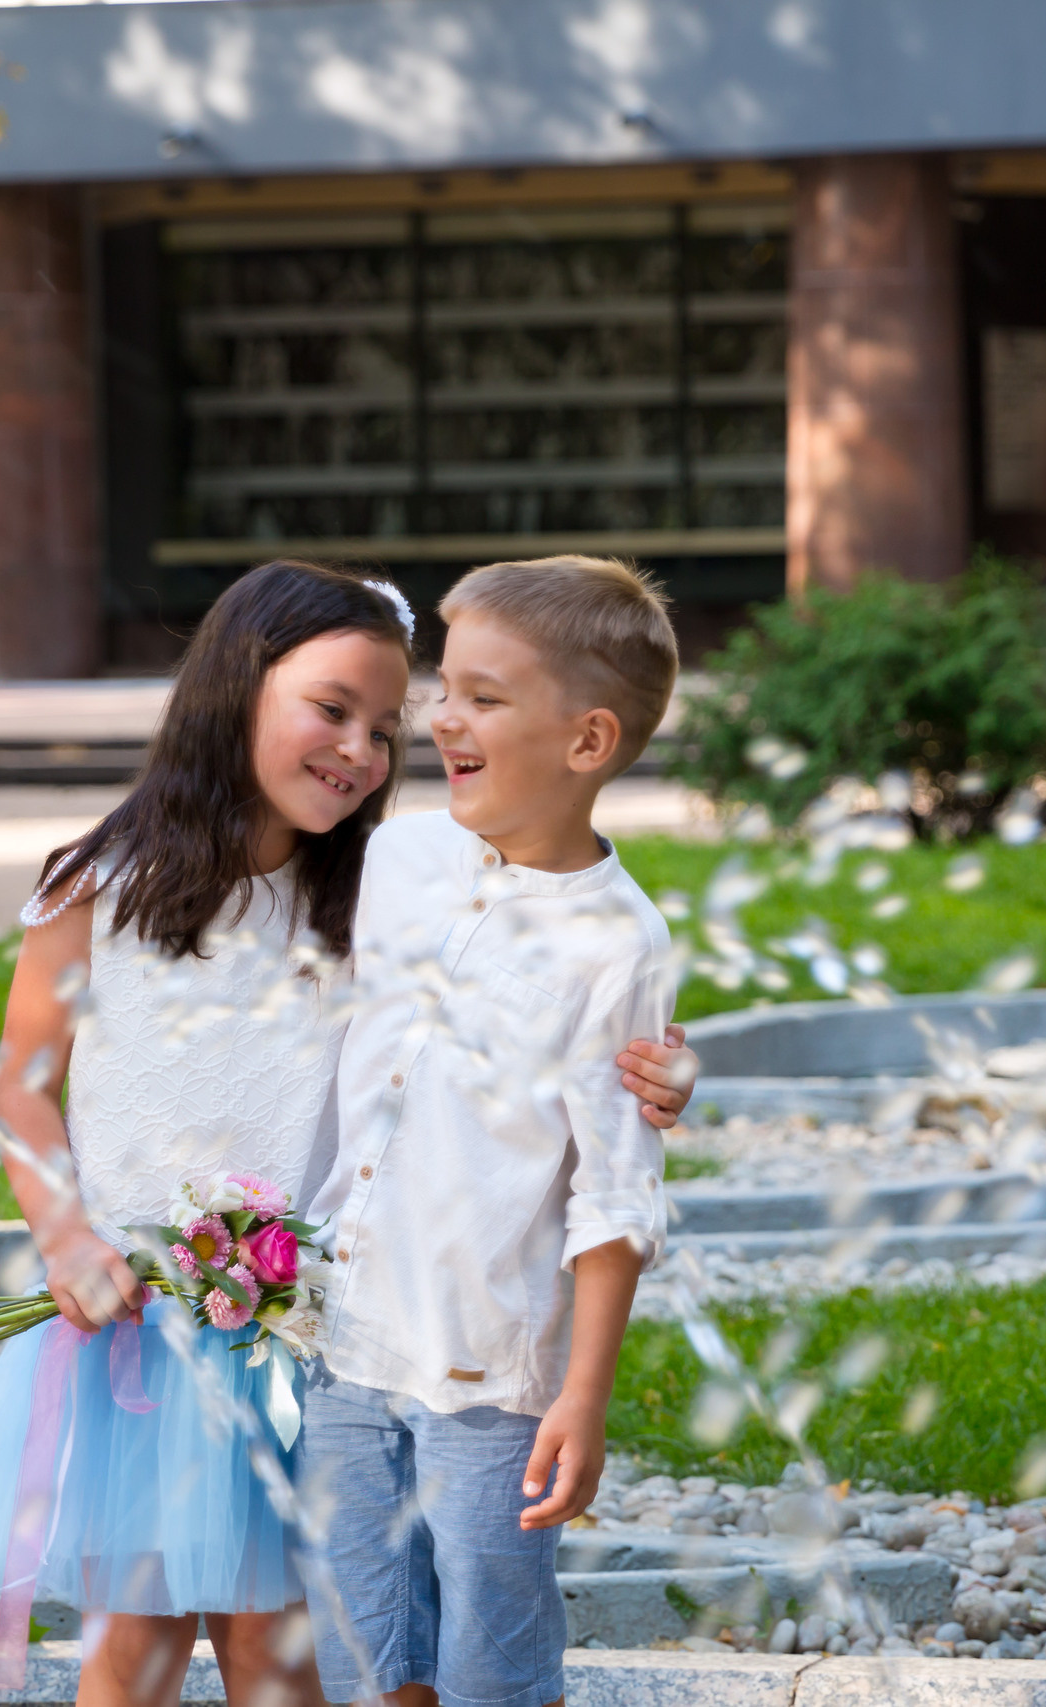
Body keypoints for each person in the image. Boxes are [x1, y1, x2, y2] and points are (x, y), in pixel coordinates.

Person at [0, 559, 695, 1707]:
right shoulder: (99, 886)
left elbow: (533, 992)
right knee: (135, 1642)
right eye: (332, 711)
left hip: (326, 1342)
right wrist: (64, 1237)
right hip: (150, 1332)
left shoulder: (372, 890)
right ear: (235, 686)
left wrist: (666, 1066)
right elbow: (25, 1089)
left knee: (289, 1651)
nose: (365, 751)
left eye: (383, 727)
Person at [302, 555, 683, 1707]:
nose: (440, 716)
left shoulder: (617, 946)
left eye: (482, 696)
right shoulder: (398, 855)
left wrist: (583, 1393)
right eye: (444, 687)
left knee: (493, 1659)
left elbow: (615, 1192)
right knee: (368, 1653)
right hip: (343, 1339)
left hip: (488, 1370)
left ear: (586, 742)